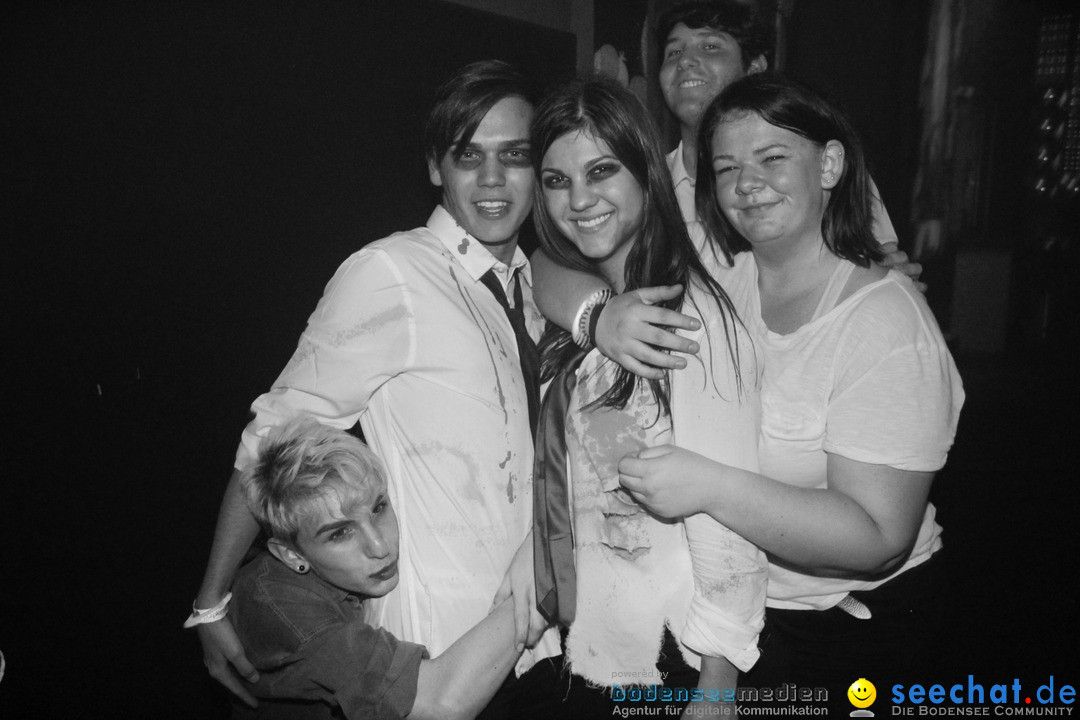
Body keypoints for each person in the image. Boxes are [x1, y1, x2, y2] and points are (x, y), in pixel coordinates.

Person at [188, 60, 558, 711]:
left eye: (515, 155)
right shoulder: (391, 272)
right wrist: (211, 602)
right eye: (468, 155)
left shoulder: (535, 287)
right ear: (435, 167)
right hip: (441, 653)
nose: (493, 178)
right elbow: (270, 440)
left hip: (538, 641)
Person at [618, 73, 964, 713]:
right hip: (742, 614)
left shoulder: (884, 323)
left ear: (829, 164)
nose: (746, 184)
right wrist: (597, 316)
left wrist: (708, 485)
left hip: (854, 629)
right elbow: (559, 258)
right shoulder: (720, 282)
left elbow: (877, 535)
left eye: (772, 158)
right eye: (726, 168)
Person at [530, 76, 766, 716]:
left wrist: (717, 690)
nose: (580, 199)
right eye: (556, 180)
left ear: (645, 172)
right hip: (581, 647)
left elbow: (730, 519)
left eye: (601, 170)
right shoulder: (570, 311)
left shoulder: (691, 319)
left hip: (672, 661)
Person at [531, 0, 923, 373]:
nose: (686, 61)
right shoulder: (643, 187)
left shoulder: (814, 178)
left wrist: (884, 285)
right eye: (673, 52)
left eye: (710, 46)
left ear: (756, 67)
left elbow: (880, 283)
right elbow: (549, 260)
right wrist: (595, 315)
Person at [228, 417, 523, 719]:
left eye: (379, 508)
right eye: (340, 533)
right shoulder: (277, 606)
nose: (380, 547)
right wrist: (536, 576)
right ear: (292, 556)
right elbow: (441, 703)